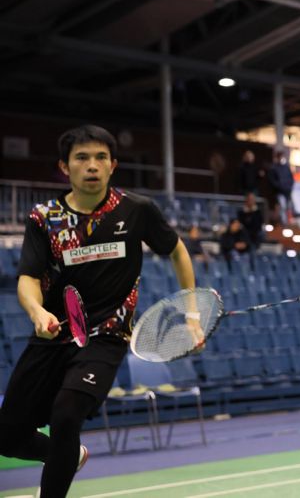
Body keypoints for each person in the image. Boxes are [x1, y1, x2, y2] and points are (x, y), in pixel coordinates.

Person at [0, 125, 195, 498]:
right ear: (64, 166)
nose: (92, 165)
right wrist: (37, 312)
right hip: (53, 332)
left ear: (113, 165)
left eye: (101, 157)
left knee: (67, 412)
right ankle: (67, 455)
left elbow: (177, 250)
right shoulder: (44, 218)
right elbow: (28, 279)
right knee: (6, 437)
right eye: (82, 158)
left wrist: (192, 315)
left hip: (107, 335)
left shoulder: (136, 210)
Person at [267, 150, 295, 226]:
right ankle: (284, 223)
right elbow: (272, 181)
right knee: (282, 207)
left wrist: (289, 187)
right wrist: (279, 186)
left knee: (289, 207)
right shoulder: (274, 168)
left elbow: (291, 179)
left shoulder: (286, 167)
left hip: (287, 192)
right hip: (279, 192)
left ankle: (289, 223)